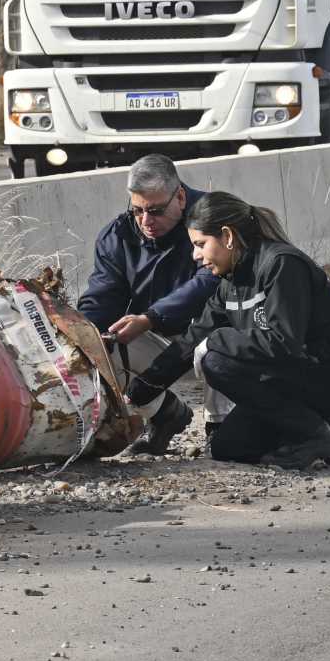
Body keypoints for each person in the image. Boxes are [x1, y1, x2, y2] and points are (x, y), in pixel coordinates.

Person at [123, 192, 330, 469]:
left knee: (217, 361)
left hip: (328, 374)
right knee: (227, 448)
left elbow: (283, 342)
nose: (195, 255)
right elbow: (192, 340)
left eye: (200, 244)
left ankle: (317, 429)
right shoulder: (230, 278)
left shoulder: (282, 264)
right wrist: (139, 392)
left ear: (227, 236)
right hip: (286, 376)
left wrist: (216, 340)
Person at [77, 155, 226, 453]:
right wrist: (80, 332)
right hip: (160, 334)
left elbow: (208, 282)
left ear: (180, 197)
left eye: (156, 211)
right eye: (138, 211)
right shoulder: (117, 235)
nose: (146, 222)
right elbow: (103, 296)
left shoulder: (213, 219)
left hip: (208, 331)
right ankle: (164, 413)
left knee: (220, 343)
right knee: (100, 345)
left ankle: (220, 428)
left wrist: (150, 317)